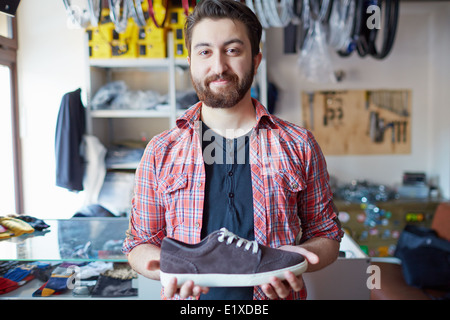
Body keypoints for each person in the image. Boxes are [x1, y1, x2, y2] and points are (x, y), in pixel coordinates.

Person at [122, 0, 343, 300]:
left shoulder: (299, 144)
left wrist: (297, 259)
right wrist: (169, 271)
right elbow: (138, 243)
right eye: (205, 52)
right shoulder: (160, 151)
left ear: (255, 59)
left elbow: (327, 236)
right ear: (190, 61)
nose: (219, 67)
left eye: (233, 50)